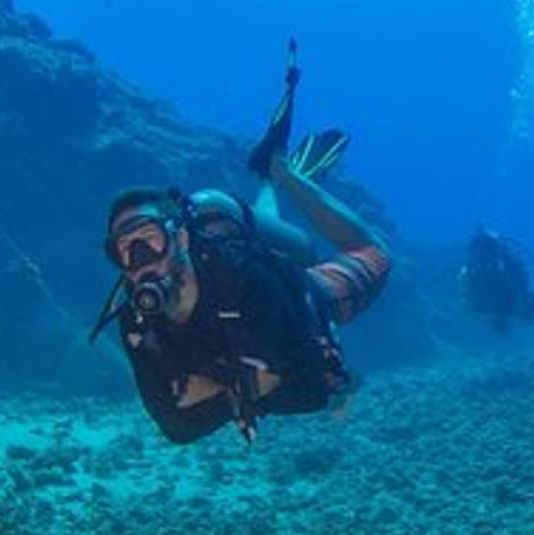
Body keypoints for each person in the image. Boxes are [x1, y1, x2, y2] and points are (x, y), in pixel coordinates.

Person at [94, 43, 388, 443]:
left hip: (307, 295)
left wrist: (216, 391)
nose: (141, 259)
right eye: (126, 250)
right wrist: (247, 387)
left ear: (180, 237)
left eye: (150, 240)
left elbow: (309, 389)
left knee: (373, 254)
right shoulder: (136, 321)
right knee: (269, 233)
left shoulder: (243, 276)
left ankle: (287, 176)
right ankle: (268, 179)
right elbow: (174, 426)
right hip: (259, 307)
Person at [459, 228, 534, 332]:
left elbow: (521, 286)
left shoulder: (508, 267)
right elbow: (467, 300)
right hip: (491, 307)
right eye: (477, 257)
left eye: (484, 256)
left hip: (515, 303)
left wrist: (504, 314)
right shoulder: (468, 272)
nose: (480, 261)